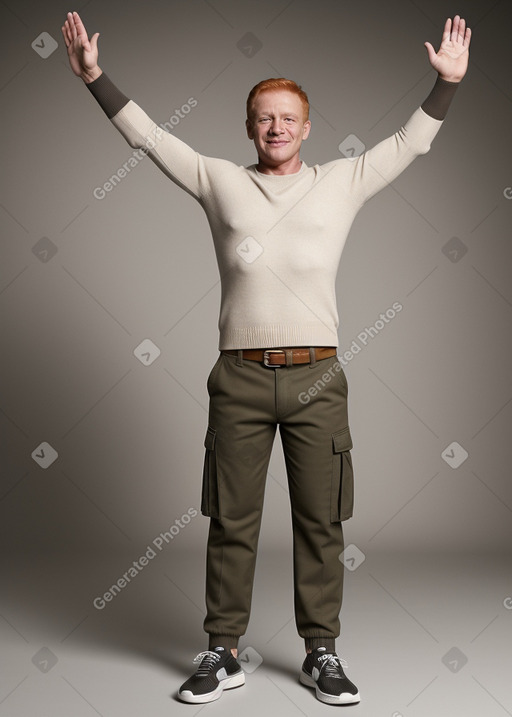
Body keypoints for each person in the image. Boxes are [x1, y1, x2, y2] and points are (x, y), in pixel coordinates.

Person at [61, 10, 471, 706]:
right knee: (232, 519)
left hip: (318, 376)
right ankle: (223, 650)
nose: (276, 127)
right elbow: (152, 139)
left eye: (287, 117)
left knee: (321, 520)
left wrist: (446, 86)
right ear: (248, 127)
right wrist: (95, 77)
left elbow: (411, 144)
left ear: (307, 128)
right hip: (240, 378)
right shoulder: (219, 180)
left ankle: (322, 653)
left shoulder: (342, 181)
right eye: (262, 117)